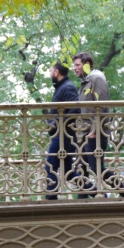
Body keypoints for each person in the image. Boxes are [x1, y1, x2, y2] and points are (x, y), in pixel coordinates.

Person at [72, 52, 124, 198]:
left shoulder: (97, 79)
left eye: (77, 65)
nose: (75, 68)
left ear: (87, 65)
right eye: (74, 65)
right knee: (81, 169)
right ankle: (82, 203)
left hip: (95, 134)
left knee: (96, 168)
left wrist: (95, 131)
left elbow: (103, 107)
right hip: (85, 135)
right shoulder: (86, 81)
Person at [44, 61, 81, 200]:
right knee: (69, 172)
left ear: (56, 72)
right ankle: (94, 190)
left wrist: (59, 123)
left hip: (64, 135)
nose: (50, 73)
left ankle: (51, 199)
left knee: (50, 167)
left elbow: (76, 108)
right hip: (63, 135)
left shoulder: (67, 87)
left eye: (50, 70)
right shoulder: (62, 87)